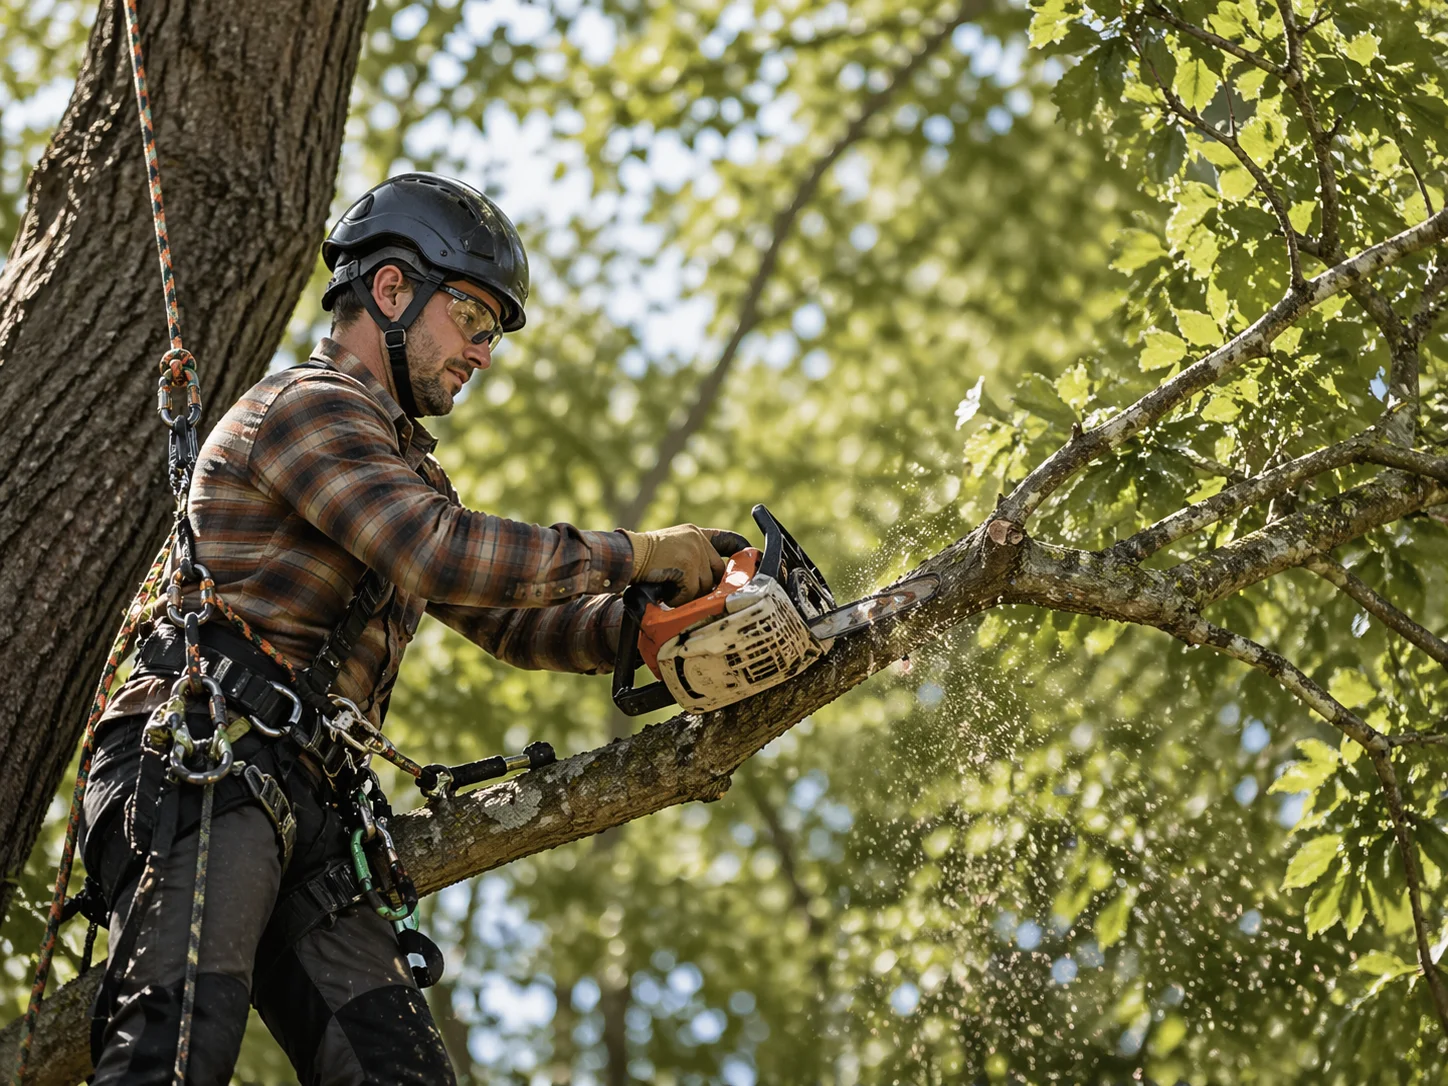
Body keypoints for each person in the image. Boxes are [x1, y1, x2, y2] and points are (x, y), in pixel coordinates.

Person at [79, 173, 745, 1085]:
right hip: (205, 761)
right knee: (171, 1057)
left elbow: (517, 620)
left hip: (306, 804)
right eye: (472, 319)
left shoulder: (404, 473)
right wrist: (639, 550)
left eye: (492, 335)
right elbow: (439, 554)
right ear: (392, 290)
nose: (481, 353)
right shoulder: (309, 408)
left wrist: (665, 631)